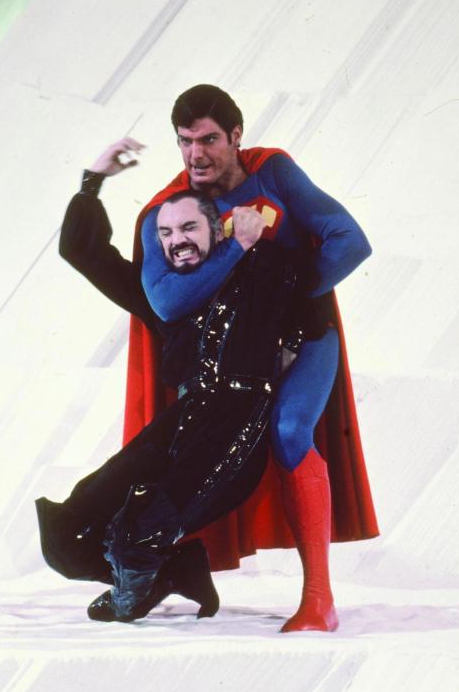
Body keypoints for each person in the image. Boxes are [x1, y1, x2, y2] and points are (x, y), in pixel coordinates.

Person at [122, 85, 379, 633]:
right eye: (185, 141)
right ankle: (151, 573)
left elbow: (350, 239)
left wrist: (284, 302)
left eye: (209, 139)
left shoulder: (273, 172)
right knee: (189, 451)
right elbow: (166, 301)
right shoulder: (170, 211)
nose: (195, 155)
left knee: (290, 431)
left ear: (236, 136)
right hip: (226, 362)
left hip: (303, 337)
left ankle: (319, 600)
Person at [36, 175, 323, 624]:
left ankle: (139, 583)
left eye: (189, 227)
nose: (177, 241)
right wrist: (92, 183)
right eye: (166, 233)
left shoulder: (264, 266)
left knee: (138, 535)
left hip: (235, 430)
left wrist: (290, 345)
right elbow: (81, 251)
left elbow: (310, 300)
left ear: (217, 229)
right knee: (64, 539)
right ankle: (174, 571)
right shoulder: (166, 298)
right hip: (184, 423)